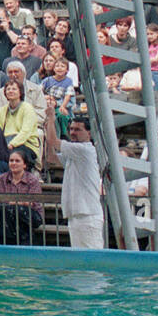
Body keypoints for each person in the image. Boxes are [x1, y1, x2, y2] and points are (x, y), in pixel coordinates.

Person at [42, 96, 104, 248]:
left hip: (88, 215)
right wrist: (47, 128)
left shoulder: (84, 149)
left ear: (89, 133)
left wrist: (51, 118)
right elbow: (52, 158)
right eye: (71, 129)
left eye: (78, 129)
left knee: (92, 261)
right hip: (75, 215)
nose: (73, 132)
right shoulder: (73, 153)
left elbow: (54, 142)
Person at [0, 149, 43, 245]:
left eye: (17, 161)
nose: (13, 163)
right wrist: (18, 202)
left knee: (16, 210)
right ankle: (17, 242)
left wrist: (13, 202)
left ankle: (7, 242)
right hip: (9, 213)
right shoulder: (2, 178)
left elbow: (32, 203)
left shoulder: (32, 180)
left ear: (24, 165)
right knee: (3, 210)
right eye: (11, 160)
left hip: (31, 214)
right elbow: (1, 200)